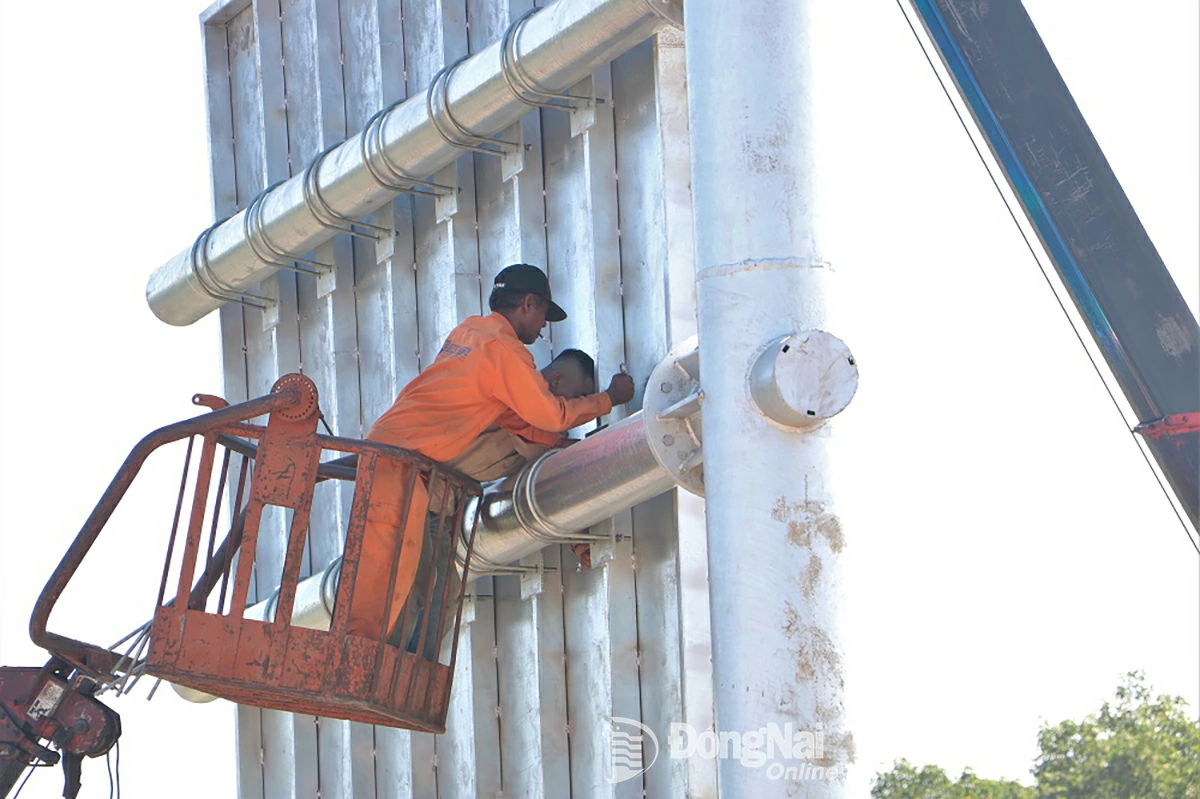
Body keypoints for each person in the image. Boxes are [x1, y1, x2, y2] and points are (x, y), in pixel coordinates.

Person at [346, 264, 635, 643]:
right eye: (544, 316)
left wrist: (578, 535)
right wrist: (608, 400)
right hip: (400, 465)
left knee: (437, 589)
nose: (544, 327)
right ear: (528, 304)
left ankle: (402, 674)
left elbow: (537, 444)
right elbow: (549, 416)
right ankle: (366, 669)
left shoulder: (472, 333)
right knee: (392, 580)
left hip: (412, 471)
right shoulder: (504, 351)